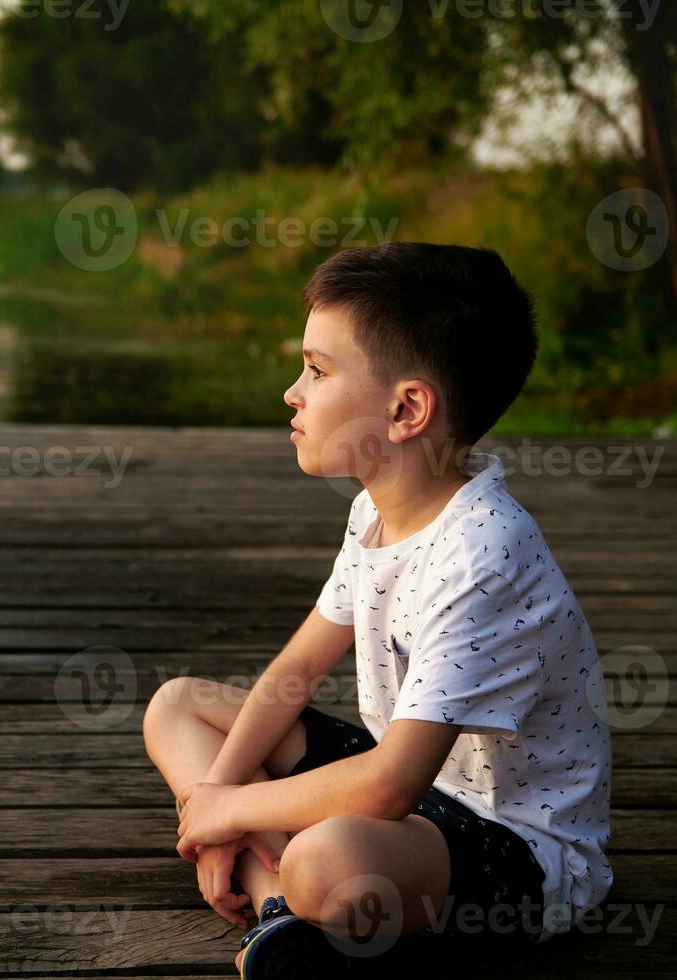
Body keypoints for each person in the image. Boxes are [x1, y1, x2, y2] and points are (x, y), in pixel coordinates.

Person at [142, 242, 614, 978]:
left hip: (515, 848)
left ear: (405, 409)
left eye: (316, 370)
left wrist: (230, 814)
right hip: (408, 791)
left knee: (325, 860)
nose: (292, 393)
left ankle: (289, 891)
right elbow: (296, 669)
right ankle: (274, 914)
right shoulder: (375, 510)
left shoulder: (482, 551)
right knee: (179, 706)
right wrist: (217, 796)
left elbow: (390, 785)